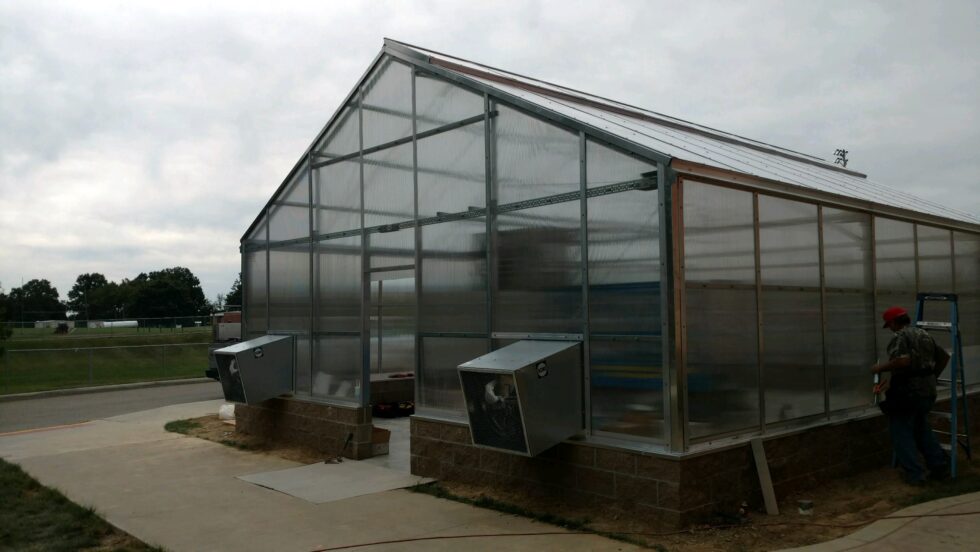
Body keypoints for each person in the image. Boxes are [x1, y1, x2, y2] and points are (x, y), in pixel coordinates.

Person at [871, 306, 950, 484]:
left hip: (907, 393)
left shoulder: (900, 337)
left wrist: (879, 368)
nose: (889, 328)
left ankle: (915, 475)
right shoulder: (924, 334)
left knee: (901, 432)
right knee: (922, 429)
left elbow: (903, 361)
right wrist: (929, 376)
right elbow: (944, 357)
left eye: (889, 325)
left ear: (892, 323)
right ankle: (939, 467)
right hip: (927, 391)